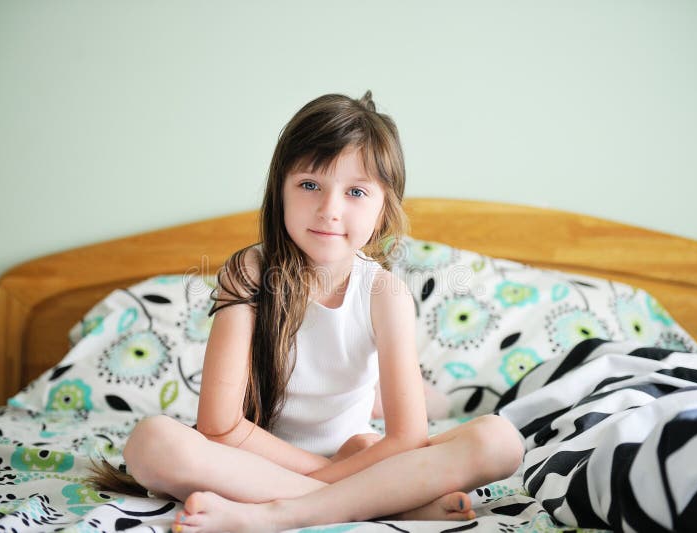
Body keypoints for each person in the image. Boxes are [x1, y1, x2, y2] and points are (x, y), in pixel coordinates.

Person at [88, 91, 524, 533]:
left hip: (362, 458)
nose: (329, 210)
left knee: (499, 441)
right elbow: (219, 427)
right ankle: (383, 504)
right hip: (251, 463)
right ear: (280, 188)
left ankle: (276, 514)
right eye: (310, 184)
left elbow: (405, 438)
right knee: (152, 442)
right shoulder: (248, 273)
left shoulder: (384, 292)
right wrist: (329, 475)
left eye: (355, 191)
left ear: (384, 206)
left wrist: (346, 469)